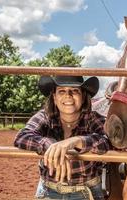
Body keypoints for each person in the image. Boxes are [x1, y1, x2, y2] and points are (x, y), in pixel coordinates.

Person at [14, 72, 110, 200]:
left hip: (88, 191)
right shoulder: (45, 116)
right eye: (62, 91)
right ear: (54, 97)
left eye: (74, 91)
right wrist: (53, 146)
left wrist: (75, 141)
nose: (68, 96)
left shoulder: (93, 118)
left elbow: (108, 141)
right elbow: (22, 137)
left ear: (82, 96)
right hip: (48, 190)